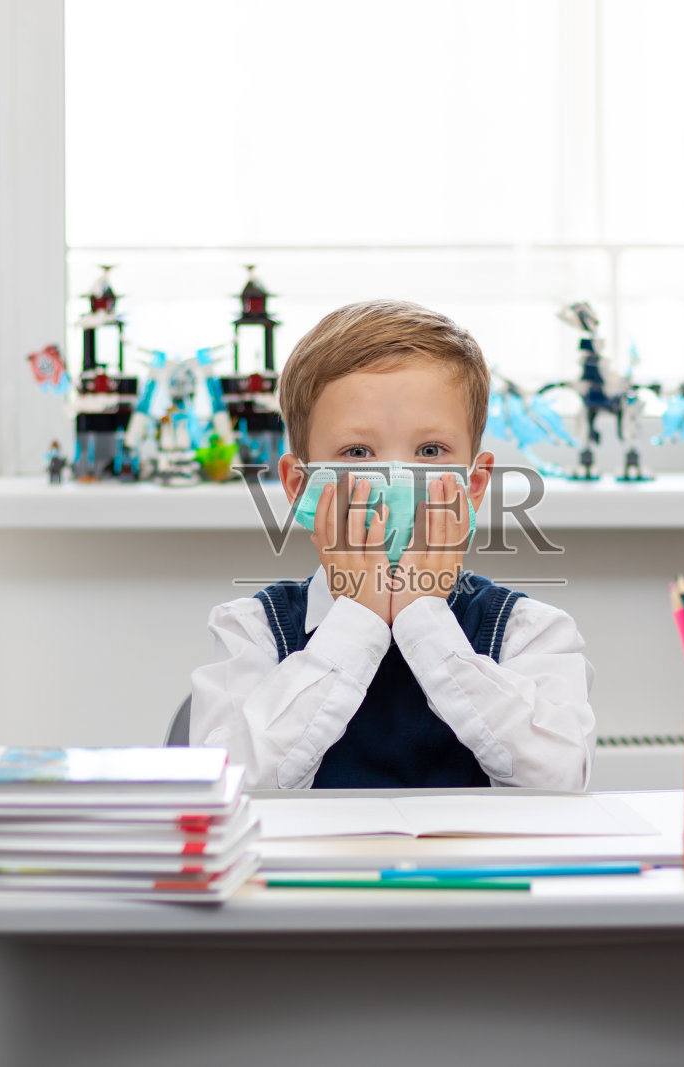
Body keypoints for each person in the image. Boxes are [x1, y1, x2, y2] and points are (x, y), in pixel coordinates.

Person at [190, 300, 595, 789]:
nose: (398, 478)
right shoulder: (251, 630)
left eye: (430, 451)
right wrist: (357, 619)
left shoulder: (528, 632)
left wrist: (424, 617)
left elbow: (560, 781)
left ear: (474, 484)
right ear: (300, 488)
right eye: (357, 452)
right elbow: (225, 786)